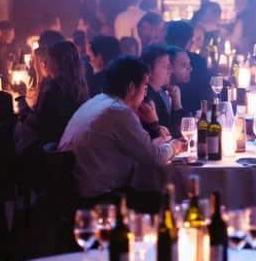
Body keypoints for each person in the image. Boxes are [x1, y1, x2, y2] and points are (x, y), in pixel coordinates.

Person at [57, 57, 185, 202]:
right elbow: (154, 158)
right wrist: (174, 146)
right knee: (165, 197)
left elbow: (143, 150)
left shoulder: (95, 102)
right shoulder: (119, 112)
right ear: (131, 88)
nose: (145, 94)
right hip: (98, 199)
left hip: (72, 193)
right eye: (144, 87)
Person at [31, 40, 90, 146]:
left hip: (52, 147)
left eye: (47, 60)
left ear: (56, 62)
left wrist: (23, 108)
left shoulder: (54, 87)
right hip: (72, 142)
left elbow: (40, 124)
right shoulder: (78, 84)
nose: (44, 64)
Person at [165, 20, 214, 115]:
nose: (189, 69)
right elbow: (208, 93)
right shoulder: (198, 61)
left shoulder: (158, 58)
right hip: (195, 112)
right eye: (184, 65)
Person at [141, 44, 181, 138]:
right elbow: (173, 133)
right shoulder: (147, 97)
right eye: (165, 66)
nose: (170, 70)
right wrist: (178, 105)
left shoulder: (157, 92)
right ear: (149, 70)